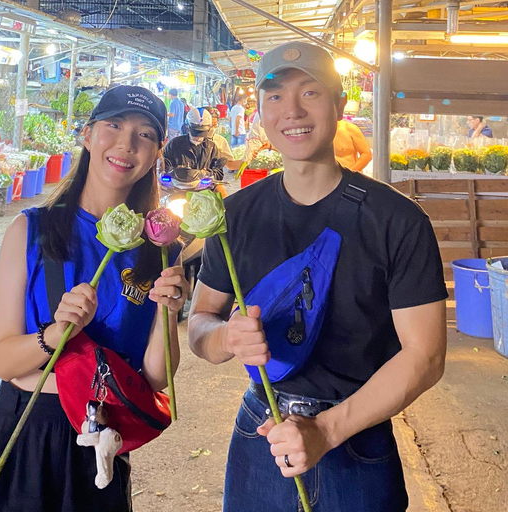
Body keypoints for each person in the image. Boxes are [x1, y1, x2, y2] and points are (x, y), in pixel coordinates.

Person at [188, 41, 447, 511]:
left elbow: (425, 356)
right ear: (260, 112)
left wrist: (327, 430)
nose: (292, 111)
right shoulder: (235, 216)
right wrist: (226, 337)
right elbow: (200, 324)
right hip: (263, 432)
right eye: (275, 97)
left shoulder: (397, 220)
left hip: (358, 436)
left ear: (339, 105)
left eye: (309, 92)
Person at [0, 85, 190, 512]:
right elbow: (3, 361)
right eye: (113, 126)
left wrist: (169, 311)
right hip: (25, 429)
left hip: (100, 438)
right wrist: (55, 334)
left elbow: (154, 379)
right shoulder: (30, 231)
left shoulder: (159, 249)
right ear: (87, 134)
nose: (126, 144)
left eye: (145, 135)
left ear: (158, 151)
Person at [163, 107, 227, 181]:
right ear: (187, 127)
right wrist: (178, 172)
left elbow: (219, 173)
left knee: (221, 188)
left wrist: (208, 173)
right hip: (178, 185)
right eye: (196, 132)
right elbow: (164, 166)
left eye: (202, 133)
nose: (198, 137)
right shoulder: (174, 144)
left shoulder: (212, 147)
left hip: (204, 186)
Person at [206, 107, 242, 172]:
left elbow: (230, 165)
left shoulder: (220, 140)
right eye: (210, 125)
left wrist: (247, 160)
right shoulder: (189, 141)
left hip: (212, 176)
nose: (212, 128)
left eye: (215, 125)